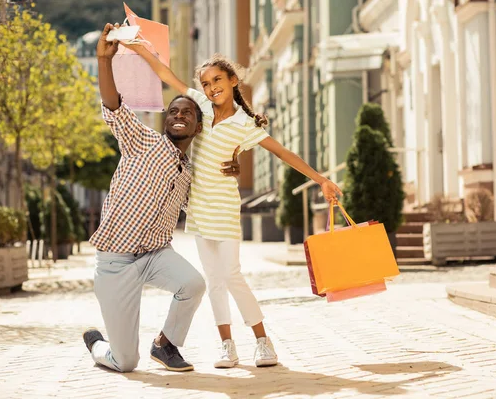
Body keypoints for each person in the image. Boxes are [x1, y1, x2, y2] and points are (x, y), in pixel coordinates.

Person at [126, 43, 342, 369]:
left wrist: (320, 179)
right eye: (207, 83)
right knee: (213, 280)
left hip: (225, 209)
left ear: (233, 81)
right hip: (198, 211)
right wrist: (140, 48)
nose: (212, 88)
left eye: (218, 80)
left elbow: (283, 153)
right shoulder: (199, 105)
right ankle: (227, 345)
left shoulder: (246, 124)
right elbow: (165, 74)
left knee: (232, 275)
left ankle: (262, 341)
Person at [81, 23, 241, 373]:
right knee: (124, 362)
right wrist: (104, 62)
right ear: (165, 120)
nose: (179, 114)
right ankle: (98, 345)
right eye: (173, 111)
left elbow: (213, 188)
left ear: (198, 127)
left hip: (155, 256)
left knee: (193, 284)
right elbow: (113, 105)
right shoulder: (142, 141)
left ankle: (165, 345)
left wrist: (233, 165)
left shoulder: (190, 171)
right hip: (115, 263)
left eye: (188, 113)